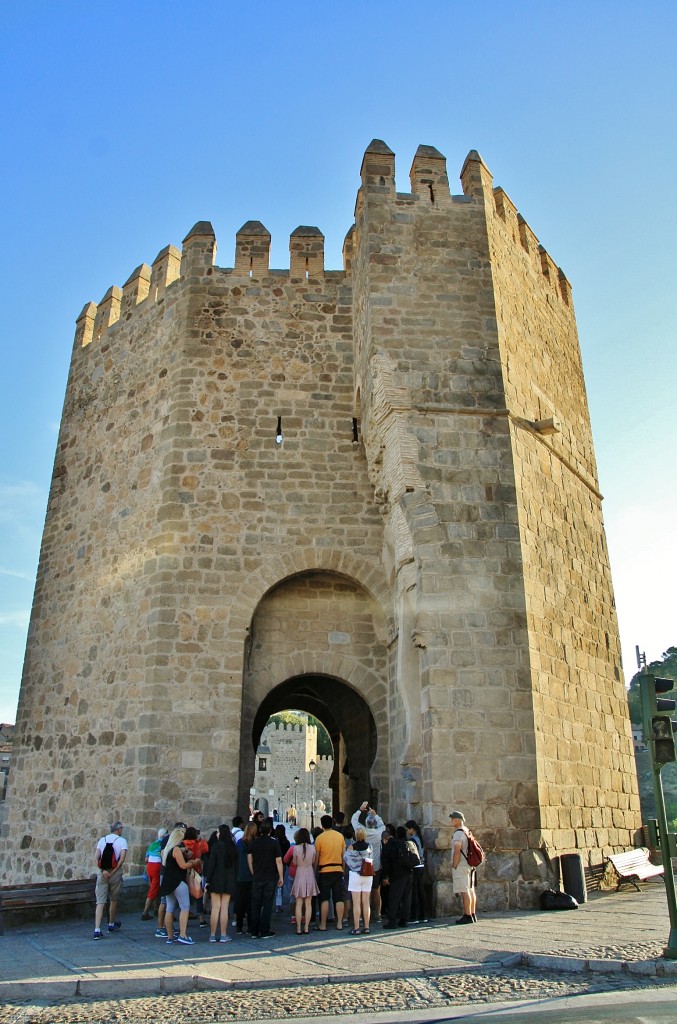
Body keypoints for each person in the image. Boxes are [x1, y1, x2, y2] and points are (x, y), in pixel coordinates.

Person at [159, 826, 201, 945]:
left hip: (168, 882)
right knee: (185, 907)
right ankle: (183, 935)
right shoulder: (176, 849)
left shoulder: (167, 849)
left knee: (169, 908)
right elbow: (183, 865)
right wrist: (193, 862)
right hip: (177, 881)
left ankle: (170, 936)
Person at [247, 820, 283, 938]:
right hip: (270, 876)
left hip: (258, 876)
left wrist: (253, 872)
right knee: (267, 904)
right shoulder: (274, 843)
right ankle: (264, 930)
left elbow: (250, 859)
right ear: (271, 830)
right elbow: (278, 860)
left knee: (255, 904)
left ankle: (253, 931)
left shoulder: (254, 843)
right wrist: (281, 876)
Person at [351, 802, 386, 921]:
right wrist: (375, 815)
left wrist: (360, 810)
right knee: (376, 890)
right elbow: (382, 825)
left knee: (362, 892)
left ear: (365, 823)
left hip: (362, 865)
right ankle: (377, 914)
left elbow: (354, 821)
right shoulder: (379, 833)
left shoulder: (361, 832)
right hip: (375, 865)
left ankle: (362, 916)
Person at [93, 820, 128, 939]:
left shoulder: (102, 840)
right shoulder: (122, 841)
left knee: (100, 901)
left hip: (102, 873)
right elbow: (122, 859)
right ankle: (111, 924)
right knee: (114, 899)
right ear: (118, 829)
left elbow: (97, 857)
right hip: (115, 873)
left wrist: (103, 871)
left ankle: (97, 929)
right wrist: (113, 872)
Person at [204, 824, 237, 942]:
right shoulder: (232, 847)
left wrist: (207, 881)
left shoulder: (216, 846)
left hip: (216, 879)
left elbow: (211, 865)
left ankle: (212, 935)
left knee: (215, 908)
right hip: (228, 880)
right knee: (224, 908)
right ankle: (223, 934)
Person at [314, 813, 346, 931]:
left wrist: (315, 871)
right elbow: (343, 856)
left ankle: (323, 924)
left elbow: (317, 857)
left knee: (325, 898)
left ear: (322, 825)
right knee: (339, 898)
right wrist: (342, 869)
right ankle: (340, 923)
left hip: (324, 870)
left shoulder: (319, 838)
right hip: (337, 869)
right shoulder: (340, 836)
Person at [380, 825, 414, 928]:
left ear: (384, 839)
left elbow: (385, 864)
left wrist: (385, 877)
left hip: (397, 875)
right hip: (408, 872)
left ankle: (392, 921)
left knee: (394, 898)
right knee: (406, 897)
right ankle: (404, 920)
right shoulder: (401, 842)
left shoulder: (387, 846)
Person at [344, 826, 373, 934]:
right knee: (366, 902)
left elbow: (346, 858)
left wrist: (355, 866)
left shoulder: (351, 847)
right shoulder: (369, 846)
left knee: (356, 903)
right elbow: (371, 859)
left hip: (356, 875)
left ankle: (356, 928)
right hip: (367, 875)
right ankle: (366, 927)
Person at [289, 827, 318, 934]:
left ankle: (298, 928)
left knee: (299, 902)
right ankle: (306, 927)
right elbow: (314, 861)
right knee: (308, 903)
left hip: (300, 873)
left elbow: (295, 863)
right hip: (309, 873)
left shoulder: (296, 848)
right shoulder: (313, 848)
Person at [449, 810, 477, 924]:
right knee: (470, 890)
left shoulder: (458, 833)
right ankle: (473, 913)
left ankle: (467, 915)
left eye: (453, 819)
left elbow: (457, 850)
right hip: (469, 865)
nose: (451, 821)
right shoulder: (467, 831)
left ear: (458, 820)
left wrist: (454, 865)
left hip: (461, 865)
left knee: (464, 891)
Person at [235, 821, 257, 934]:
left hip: (241, 875)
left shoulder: (239, 843)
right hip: (252, 875)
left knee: (241, 902)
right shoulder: (255, 843)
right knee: (251, 903)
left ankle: (239, 926)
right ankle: (250, 926)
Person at [142, 827, 167, 920]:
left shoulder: (152, 844)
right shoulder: (163, 844)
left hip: (149, 867)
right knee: (153, 890)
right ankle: (145, 912)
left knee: (153, 887)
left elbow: (146, 859)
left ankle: (156, 909)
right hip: (157, 866)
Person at [405, 819, 427, 924]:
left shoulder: (413, 840)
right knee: (420, 890)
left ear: (412, 829)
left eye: (408, 829)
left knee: (414, 891)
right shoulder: (420, 838)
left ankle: (414, 916)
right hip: (422, 865)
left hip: (416, 866)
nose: (407, 831)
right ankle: (423, 914)